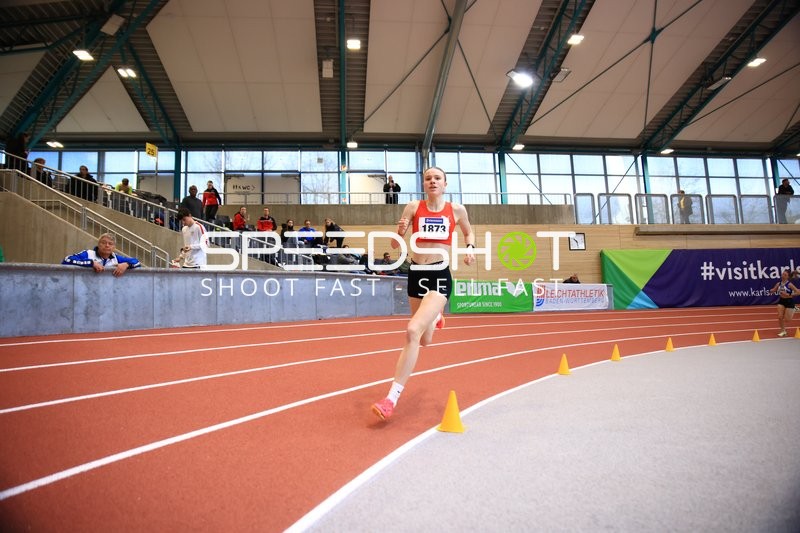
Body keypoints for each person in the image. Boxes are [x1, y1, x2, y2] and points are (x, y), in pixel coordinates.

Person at [372, 166, 475, 421]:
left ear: (445, 183)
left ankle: (390, 399)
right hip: (416, 273)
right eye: (428, 178)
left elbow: (468, 231)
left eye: (437, 178)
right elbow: (395, 245)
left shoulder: (457, 210)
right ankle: (436, 316)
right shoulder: (413, 207)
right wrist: (399, 232)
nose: (432, 181)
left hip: (440, 273)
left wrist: (470, 247)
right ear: (424, 183)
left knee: (412, 330)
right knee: (425, 340)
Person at [62, 233, 141, 277]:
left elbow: (137, 262)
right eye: (103, 243)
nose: (107, 245)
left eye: (110, 244)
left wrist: (127, 264)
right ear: (98, 244)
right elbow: (67, 260)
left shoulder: (116, 258)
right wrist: (91, 263)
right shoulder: (88, 253)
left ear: (114, 247)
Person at [768, 269, 799, 336]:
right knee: (780, 317)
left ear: (788, 277)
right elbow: (774, 290)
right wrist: (771, 291)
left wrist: (789, 294)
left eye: (785, 275)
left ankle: (794, 308)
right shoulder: (778, 284)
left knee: (787, 320)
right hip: (781, 301)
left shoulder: (789, 284)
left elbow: (798, 292)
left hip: (789, 302)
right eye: (782, 274)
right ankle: (783, 331)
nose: (783, 276)